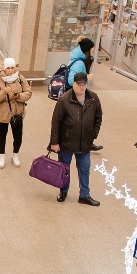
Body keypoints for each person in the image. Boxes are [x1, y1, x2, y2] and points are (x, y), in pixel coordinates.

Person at [49, 72, 103, 205]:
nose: (81, 87)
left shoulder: (93, 98)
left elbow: (98, 117)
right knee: (64, 169)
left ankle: (84, 195)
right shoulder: (64, 100)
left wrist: (93, 134)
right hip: (66, 143)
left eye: (84, 84)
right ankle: (63, 191)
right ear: (73, 84)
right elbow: (56, 122)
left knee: (84, 170)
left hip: (84, 143)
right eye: (79, 84)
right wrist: (54, 142)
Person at [0, 57, 32, 169]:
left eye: (12, 68)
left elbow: (28, 92)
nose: (10, 70)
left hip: (17, 113)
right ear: (4, 68)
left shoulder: (20, 78)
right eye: (7, 68)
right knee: (2, 135)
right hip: (3, 114)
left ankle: (15, 155)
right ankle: (2, 156)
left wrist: (18, 96)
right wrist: (4, 92)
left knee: (18, 136)